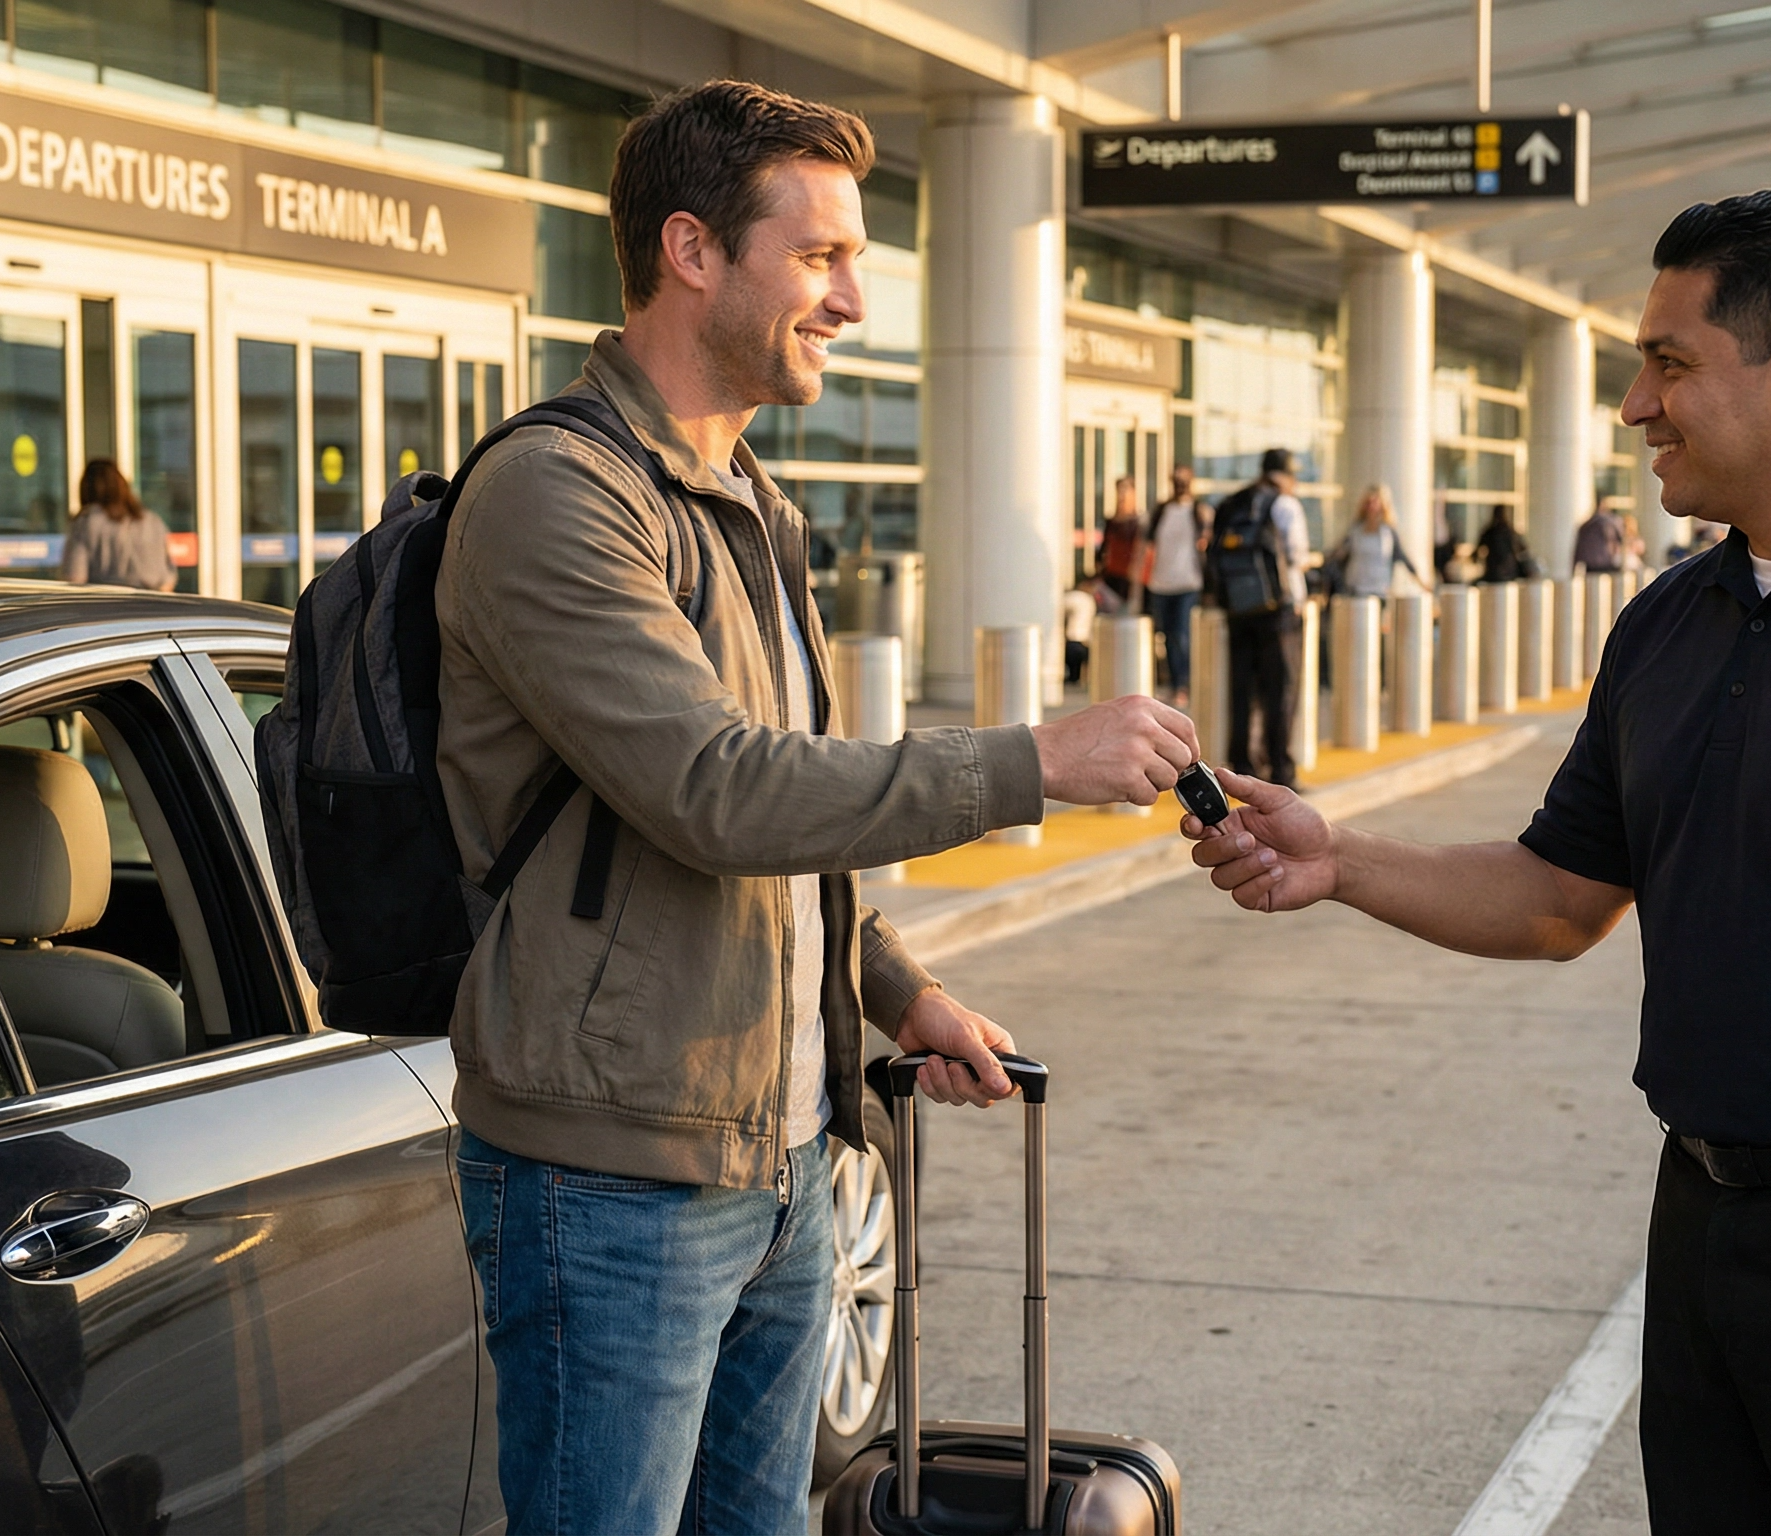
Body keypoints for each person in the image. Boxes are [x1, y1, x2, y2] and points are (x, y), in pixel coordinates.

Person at [1184, 188, 1771, 1536]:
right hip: (1703, 1226)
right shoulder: (1671, 624)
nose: (1636, 404)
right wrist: (1338, 859)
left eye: (1671, 363)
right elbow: (1563, 897)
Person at [432, 80, 1200, 1535]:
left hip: (785, 1158)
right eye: (822, 256)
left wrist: (899, 996)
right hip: (614, 1179)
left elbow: (789, 837)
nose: (851, 299)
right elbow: (717, 792)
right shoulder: (557, 495)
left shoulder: (752, 504)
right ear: (693, 251)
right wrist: (1032, 761)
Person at [1205, 447, 1311, 788]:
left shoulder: (1231, 503)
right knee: (1281, 690)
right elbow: (1296, 555)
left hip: (1237, 609)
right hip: (1277, 611)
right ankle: (1280, 769)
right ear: (1288, 476)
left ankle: (1242, 766)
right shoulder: (1284, 504)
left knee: (1241, 689)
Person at [1142, 464, 1207, 704]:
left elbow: (1205, 542)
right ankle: (1173, 683)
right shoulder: (1161, 511)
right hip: (1161, 582)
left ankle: (1184, 684)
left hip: (1188, 582)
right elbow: (1147, 547)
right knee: (1168, 636)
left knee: (1182, 634)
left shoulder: (1198, 510)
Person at [60, 460, 174, 591]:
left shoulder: (86, 521)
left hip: (108, 604)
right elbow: (168, 576)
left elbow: (75, 577)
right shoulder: (152, 520)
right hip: (154, 603)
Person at [1328, 484, 1419, 600]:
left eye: (1375, 503)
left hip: (1380, 590)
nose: (1372, 507)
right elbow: (1338, 554)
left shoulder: (1388, 533)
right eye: (1369, 503)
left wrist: (1420, 582)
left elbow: (1403, 557)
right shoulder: (1355, 531)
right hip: (1356, 589)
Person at [1095, 475, 1145, 605]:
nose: (1122, 496)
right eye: (1120, 491)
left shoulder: (1140, 523)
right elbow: (1103, 550)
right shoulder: (1111, 523)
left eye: (1126, 491)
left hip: (1130, 580)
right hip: (1111, 578)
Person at [1061, 573, 1104, 687]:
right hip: (1085, 640)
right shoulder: (1090, 600)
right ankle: (1076, 678)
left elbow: (1060, 605)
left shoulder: (1077, 597)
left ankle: (1073, 678)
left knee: (1072, 660)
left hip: (1074, 639)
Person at [1474, 504, 1534, 584]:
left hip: (1493, 571)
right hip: (1510, 571)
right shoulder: (1511, 532)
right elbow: (1523, 549)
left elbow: (1477, 550)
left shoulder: (1490, 532)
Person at [1573, 496, 1628, 574]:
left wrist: (1573, 567)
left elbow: (1578, 550)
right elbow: (1621, 540)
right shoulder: (1610, 522)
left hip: (1590, 565)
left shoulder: (1585, 526)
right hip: (1605, 563)